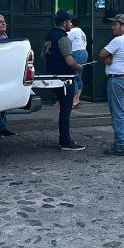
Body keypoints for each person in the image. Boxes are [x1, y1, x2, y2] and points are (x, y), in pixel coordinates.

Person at [43, 10, 85, 151]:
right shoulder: (63, 38)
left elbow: (43, 55)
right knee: (66, 110)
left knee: (63, 108)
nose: (71, 24)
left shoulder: (49, 35)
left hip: (52, 74)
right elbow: (69, 61)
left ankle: (64, 139)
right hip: (65, 77)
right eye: (69, 21)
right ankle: (65, 140)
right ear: (64, 23)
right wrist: (78, 66)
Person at [98, 14, 124, 156]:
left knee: (118, 114)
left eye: (115, 24)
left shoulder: (118, 40)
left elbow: (102, 53)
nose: (112, 27)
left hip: (117, 81)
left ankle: (121, 145)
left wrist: (107, 57)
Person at [67, 17, 88, 107]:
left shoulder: (72, 31)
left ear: (71, 23)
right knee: (79, 76)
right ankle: (77, 98)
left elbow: (64, 39)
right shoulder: (81, 31)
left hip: (76, 53)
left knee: (73, 76)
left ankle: (74, 99)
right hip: (84, 53)